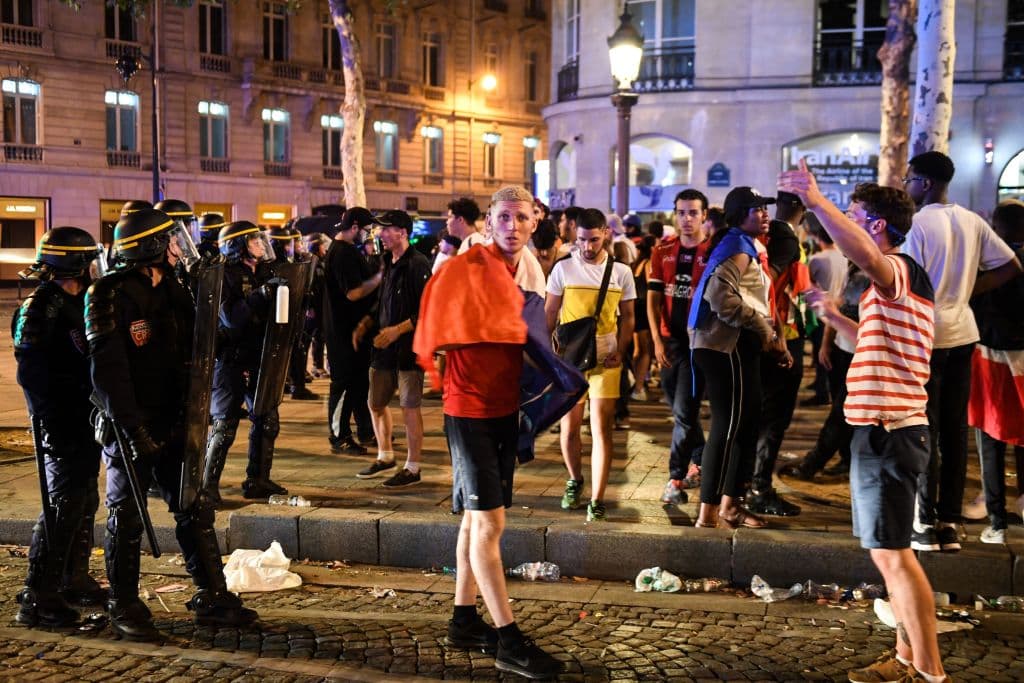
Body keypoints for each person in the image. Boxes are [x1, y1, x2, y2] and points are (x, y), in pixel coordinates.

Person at [780, 164, 948, 683]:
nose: (845, 225)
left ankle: (930, 671)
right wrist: (834, 319)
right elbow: (881, 341)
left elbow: (867, 255)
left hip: (891, 430)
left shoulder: (898, 267)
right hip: (884, 429)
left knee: (895, 557)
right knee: (888, 553)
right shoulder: (895, 285)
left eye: (854, 217)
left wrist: (815, 199)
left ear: (875, 224)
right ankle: (904, 659)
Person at [413, 185, 564, 680]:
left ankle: (463, 619)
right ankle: (509, 639)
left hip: (503, 407)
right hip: (469, 408)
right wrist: (494, 321)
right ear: (489, 221)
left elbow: (533, 336)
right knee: (490, 524)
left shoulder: (529, 268)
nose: (513, 226)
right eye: (504, 217)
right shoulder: (468, 267)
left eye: (522, 218)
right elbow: (438, 331)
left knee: (473, 521)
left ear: (534, 221)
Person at [86, 208, 257, 640]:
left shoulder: (177, 290)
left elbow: (202, 349)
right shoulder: (108, 294)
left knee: (194, 506)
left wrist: (208, 293)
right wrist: (133, 430)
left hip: (174, 420)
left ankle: (211, 595)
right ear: (151, 246)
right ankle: (123, 603)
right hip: (131, 426)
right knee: (125, 517)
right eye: (172, 240)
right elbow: (108, 373)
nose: (180, 246)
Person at [901, 151, 1022, 552]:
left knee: (924, 430)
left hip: (927, 336)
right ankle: (950, 521)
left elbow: (909, 283)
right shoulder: (972, 220)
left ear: (927, 183)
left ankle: (925, 520)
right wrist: (969, 292)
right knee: (954, 432)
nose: (906, 185)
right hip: (964, 332)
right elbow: (1009, 266)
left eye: (910, 178)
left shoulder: (917, 224)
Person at [13, 227, 107, 628]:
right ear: (73, 263)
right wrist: (50, 413)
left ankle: (73, 576)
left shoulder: (80, 299)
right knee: (62, 505)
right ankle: (40, 594)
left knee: (85, 500)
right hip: (59, 420)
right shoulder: (42, 305)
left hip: (83, 416)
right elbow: (30, 371)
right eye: (87, 260)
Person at [688, 187, 788, 529]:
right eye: (756, 209)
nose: (764, 214)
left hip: (738, 346)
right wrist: (762, 328)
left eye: (764, 209)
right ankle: (707, 514)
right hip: (723, 347)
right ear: (739, 215)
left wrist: (772, 335)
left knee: (745, 426)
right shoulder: (736, 246)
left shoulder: (747, 246)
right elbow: (721, 298)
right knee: (728, 428)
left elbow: (756, 300)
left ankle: (731, 505)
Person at [546, 208, 636, 522]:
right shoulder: (563, 268)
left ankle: (597, 498)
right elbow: (548, 314)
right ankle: (575, 479)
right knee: (569, 428)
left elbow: (629, 318)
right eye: (582, 239)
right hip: (570, 360)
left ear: (605, 235)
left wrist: (622, 350)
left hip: (606, 358)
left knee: (601, 429)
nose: (587, 246)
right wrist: (547, 355)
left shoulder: (621, 272)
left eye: (594, 239)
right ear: (575, 234)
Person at [204, 220, 290, 503]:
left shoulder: (264, 271)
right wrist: (261, 294)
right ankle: (207, 487)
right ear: (237, 245)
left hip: (259, 356)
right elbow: (231, 317)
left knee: (267, 418)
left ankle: (258, 480)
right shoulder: (223, 275)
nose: (260, 245)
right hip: (230, 358)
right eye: (253, 241)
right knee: (225, 425)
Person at [353, 210, 432, 488]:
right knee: (375, 402)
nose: (380, 234)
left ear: (402, 232)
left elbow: (427, 311)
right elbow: (383, 301)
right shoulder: (386, 261)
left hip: (409, 349)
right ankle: (385, 455)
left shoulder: (418, 264)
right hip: (383, 349)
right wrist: (367, 322)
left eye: (386, 229)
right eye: (379, 229)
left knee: (410, 407)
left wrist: (396, 331)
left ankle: (413, 466)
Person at [965, 199, 1024, 544]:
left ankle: (997, 518)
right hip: (1017, 356)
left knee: (990, 437)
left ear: (996, 227)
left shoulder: (988, 264)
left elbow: (972, 301)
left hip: (991, 355)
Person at [648, 189, 712, 504]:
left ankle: (675, 478)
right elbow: (653, 300)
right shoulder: (662, 251)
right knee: (678, 409)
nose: (686, 219)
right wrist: (656, 342)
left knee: (685, 413)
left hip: (698, 343)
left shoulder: (714, 251)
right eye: (681, 212)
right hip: (670, 343)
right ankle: (701, 457)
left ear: (704, 215)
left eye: (693, 213)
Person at [747, 191, 809, 517]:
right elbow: (774, 290)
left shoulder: (750, 238)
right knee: (773, 419)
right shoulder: (784, 239)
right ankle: (758, 488)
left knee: (756, 417)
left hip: (758, 336)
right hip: (778, 338)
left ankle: (747, 484)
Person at [323, 208, 380, 455]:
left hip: (354, 330)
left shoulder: (347, 251)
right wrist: (379, 279)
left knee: (358, 383)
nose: (368, 236)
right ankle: (339, 436)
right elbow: (353, 292)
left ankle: (365, 430)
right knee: (344, 384)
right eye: (366, 230)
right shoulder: (342, 254)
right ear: (355, 227)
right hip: (343, 330)